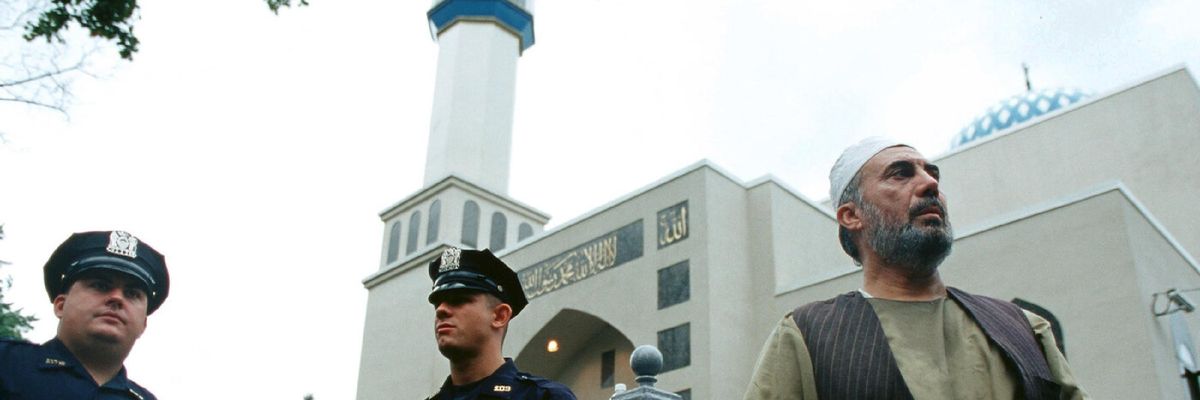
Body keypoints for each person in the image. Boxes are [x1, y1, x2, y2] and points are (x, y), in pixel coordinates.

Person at [743, 138, 1087, 400]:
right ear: (852, 216)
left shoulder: (1023, 328)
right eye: (901, 173)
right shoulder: (807, 336)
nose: (929, 184)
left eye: (931, 173)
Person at [0, 230, 169, 399]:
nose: (117, 298)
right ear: (60, 305)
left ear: (143, 325)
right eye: (100, 286)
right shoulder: (7, 363)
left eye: (132, 294)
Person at [424, 247, 576, 400]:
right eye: (437, 303)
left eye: (458, 300)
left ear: (499, 316)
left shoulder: (543, 397)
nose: (441, 310)